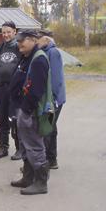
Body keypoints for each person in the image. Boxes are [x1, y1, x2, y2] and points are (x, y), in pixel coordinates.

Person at [9, 29, 51, 195]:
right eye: (18, 41)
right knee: (26, 145)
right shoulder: (26, 57)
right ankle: (28, 177)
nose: (19, 43)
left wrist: (26, 111)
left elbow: (36, 90)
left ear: (33, 40)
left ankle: (41, 183)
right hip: (21, 108)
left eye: (22, 40)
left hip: (30, 111)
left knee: (34, 145)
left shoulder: (39, 59)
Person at [0, 21, 22, 159]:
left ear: (14, 31)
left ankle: (19, 149)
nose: (6, 35)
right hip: (0, 88)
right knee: (2, 118)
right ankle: (3, 148)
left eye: (8, 32)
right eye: (3, 32)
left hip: (15, 90)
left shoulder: (19, 47)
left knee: (14, 119)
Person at [37, 29, 66, 169]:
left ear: (47, 40)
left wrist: (52, 99)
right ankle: (51, 159)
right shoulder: (45, 52)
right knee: (51, 127)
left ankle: (49, 159)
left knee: (47, 128)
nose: (37, 40)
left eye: (39, 38)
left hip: (53, 99)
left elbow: (55, 78)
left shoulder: (53, 53)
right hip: (50, 98)